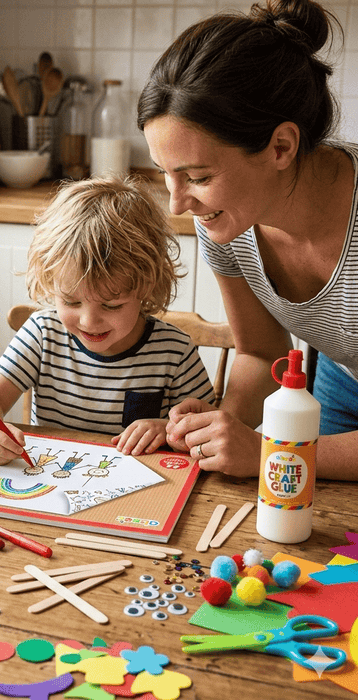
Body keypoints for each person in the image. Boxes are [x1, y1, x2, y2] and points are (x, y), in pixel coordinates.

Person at [137, 0, 358, 479]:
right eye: (165, 175)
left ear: (281, 146)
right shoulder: (227, 220)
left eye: (196, 176)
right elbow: (262, 351)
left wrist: (268, 453)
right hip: (345, 380)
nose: (177, 204)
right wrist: (222, 425)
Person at [0, 176, 214, 465]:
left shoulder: (175, 351)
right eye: (71, 301)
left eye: (111, 305)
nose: (89, 321)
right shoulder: (42, 334)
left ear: (146, 285)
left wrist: (168, 432)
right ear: (51, 280)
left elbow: (206, 429)